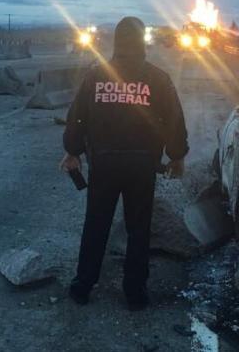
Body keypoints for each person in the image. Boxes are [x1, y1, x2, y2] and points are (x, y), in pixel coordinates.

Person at [61, 16, 189, 310]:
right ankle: (135, 294)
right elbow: (174, 121)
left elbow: (77, 116)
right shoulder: (158, 78)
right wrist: (177, 155)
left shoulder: (95, 76)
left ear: (116, 41)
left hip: (103, 165)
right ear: (142, 41)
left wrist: (73, 150)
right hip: (142, 168)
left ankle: (82, 286)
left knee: (96, 224)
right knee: (138, 229)